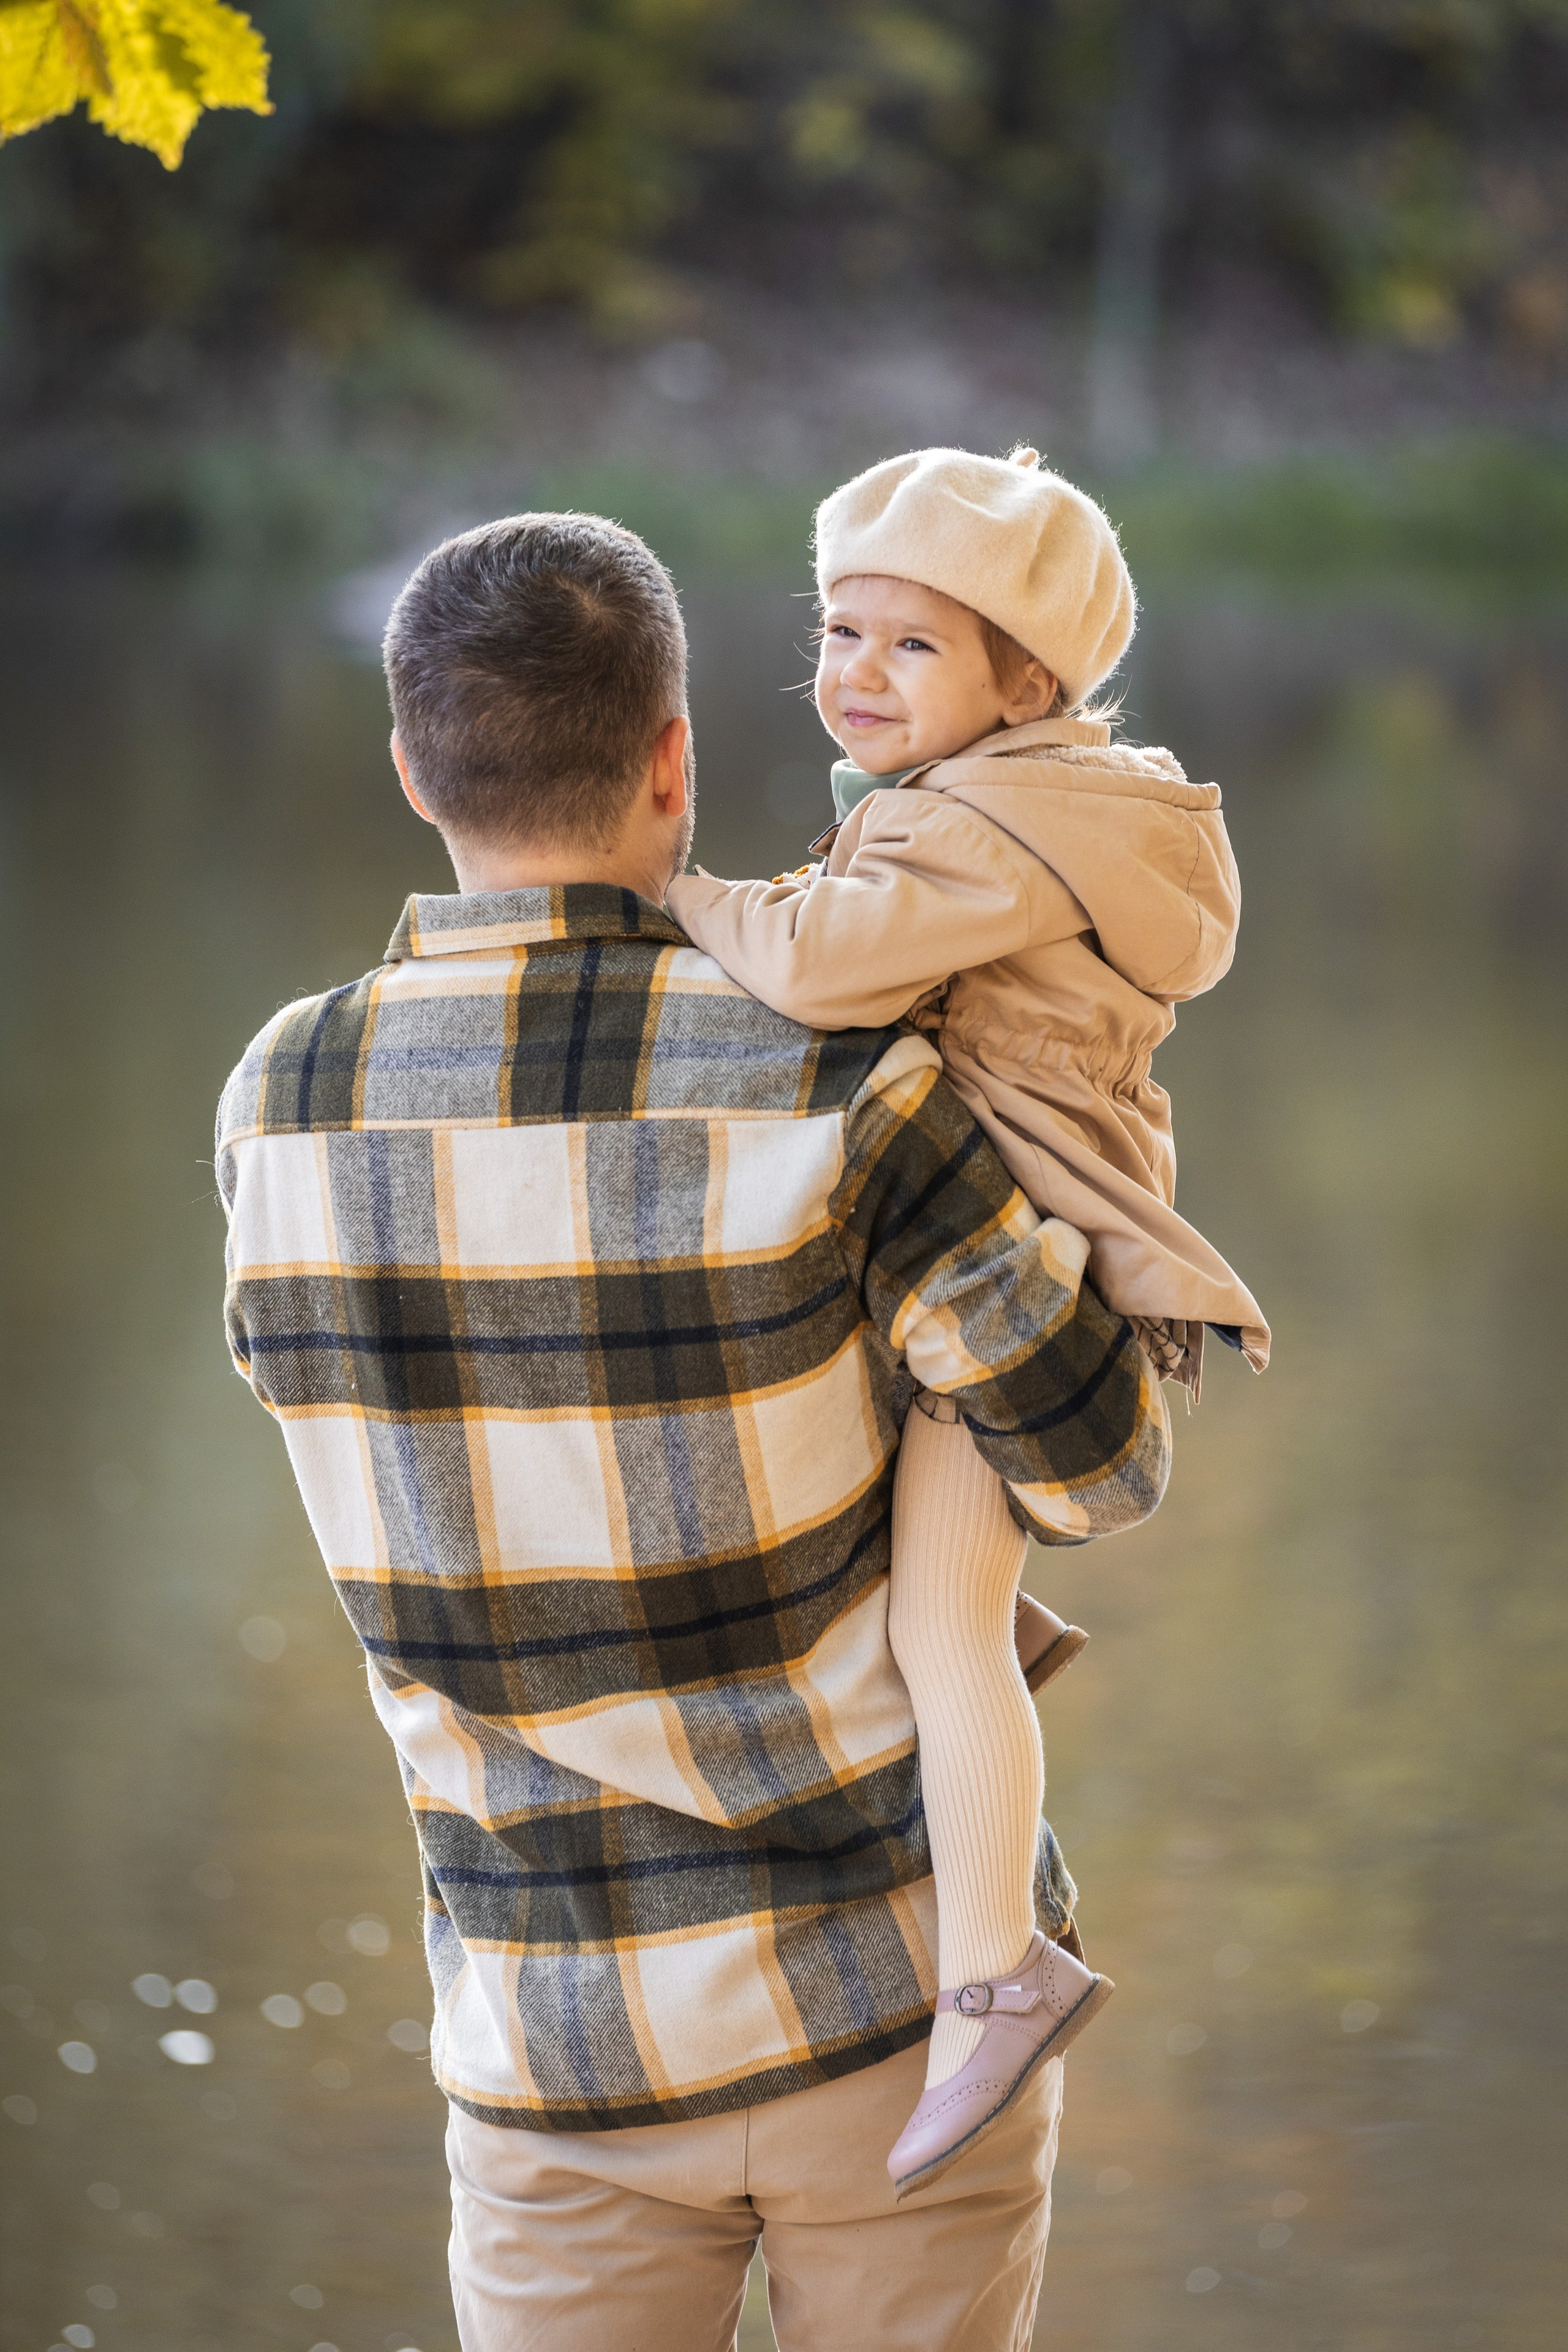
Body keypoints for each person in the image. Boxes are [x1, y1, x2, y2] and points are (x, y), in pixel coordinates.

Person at [216, 510, 1172, 2351]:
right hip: (900, 2025)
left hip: (552, 2034)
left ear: (414, 767)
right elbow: (1099, 1461)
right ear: (676, 759)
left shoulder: (287, 1100)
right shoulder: (841, 1073)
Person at [667, 445, 1268, 2195]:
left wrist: (672, 889)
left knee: (939, 1629)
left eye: (909, 647)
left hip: (1025, 1274)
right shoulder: (1000, 798)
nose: (854, 672)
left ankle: (998, 1977)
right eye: (837, 630)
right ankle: (985, 1894)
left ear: (1030, 683)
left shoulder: (1015, 826)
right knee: (931, 1619)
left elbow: (816, 965)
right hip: (980, 1259)